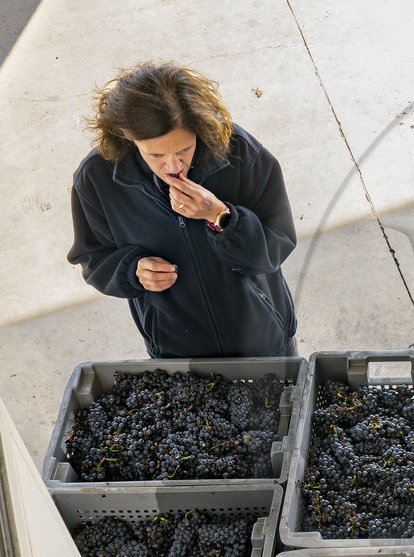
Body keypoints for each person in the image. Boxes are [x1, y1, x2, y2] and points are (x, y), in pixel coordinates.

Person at [68, 63, 298, 358]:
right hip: (176, 352)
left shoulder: (241, 153)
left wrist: (221, 217)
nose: (174, 166)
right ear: (126, 136)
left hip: (265, 339)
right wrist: (132, 270)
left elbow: (276, 245)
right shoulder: (96, 179)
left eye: (184, 150)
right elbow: (92, 257)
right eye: (156, 154)